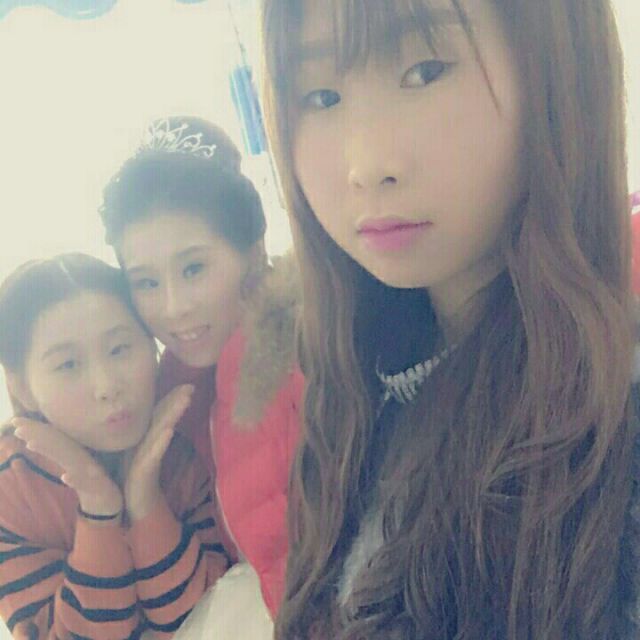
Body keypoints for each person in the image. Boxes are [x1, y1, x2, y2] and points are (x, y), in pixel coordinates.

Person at [260, 0, 640, 638]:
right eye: (321, 97)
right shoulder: (359, 384)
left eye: (425, 71)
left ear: (555, 72)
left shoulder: (615, 431)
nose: (366, 166)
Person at [99, 116, 303, 621]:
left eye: (193, 269)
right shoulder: (171, 391)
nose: (174, 308)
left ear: (253, 252)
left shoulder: (306, 350)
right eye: (146, 283)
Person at [0, 254, 228, 639]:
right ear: (24, 389)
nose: (107, 387)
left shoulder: (187, 441)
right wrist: (99, 510)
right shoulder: (12, 489)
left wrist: (146, 499)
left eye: (120, 349)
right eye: (68, 365)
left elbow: (208, 618)